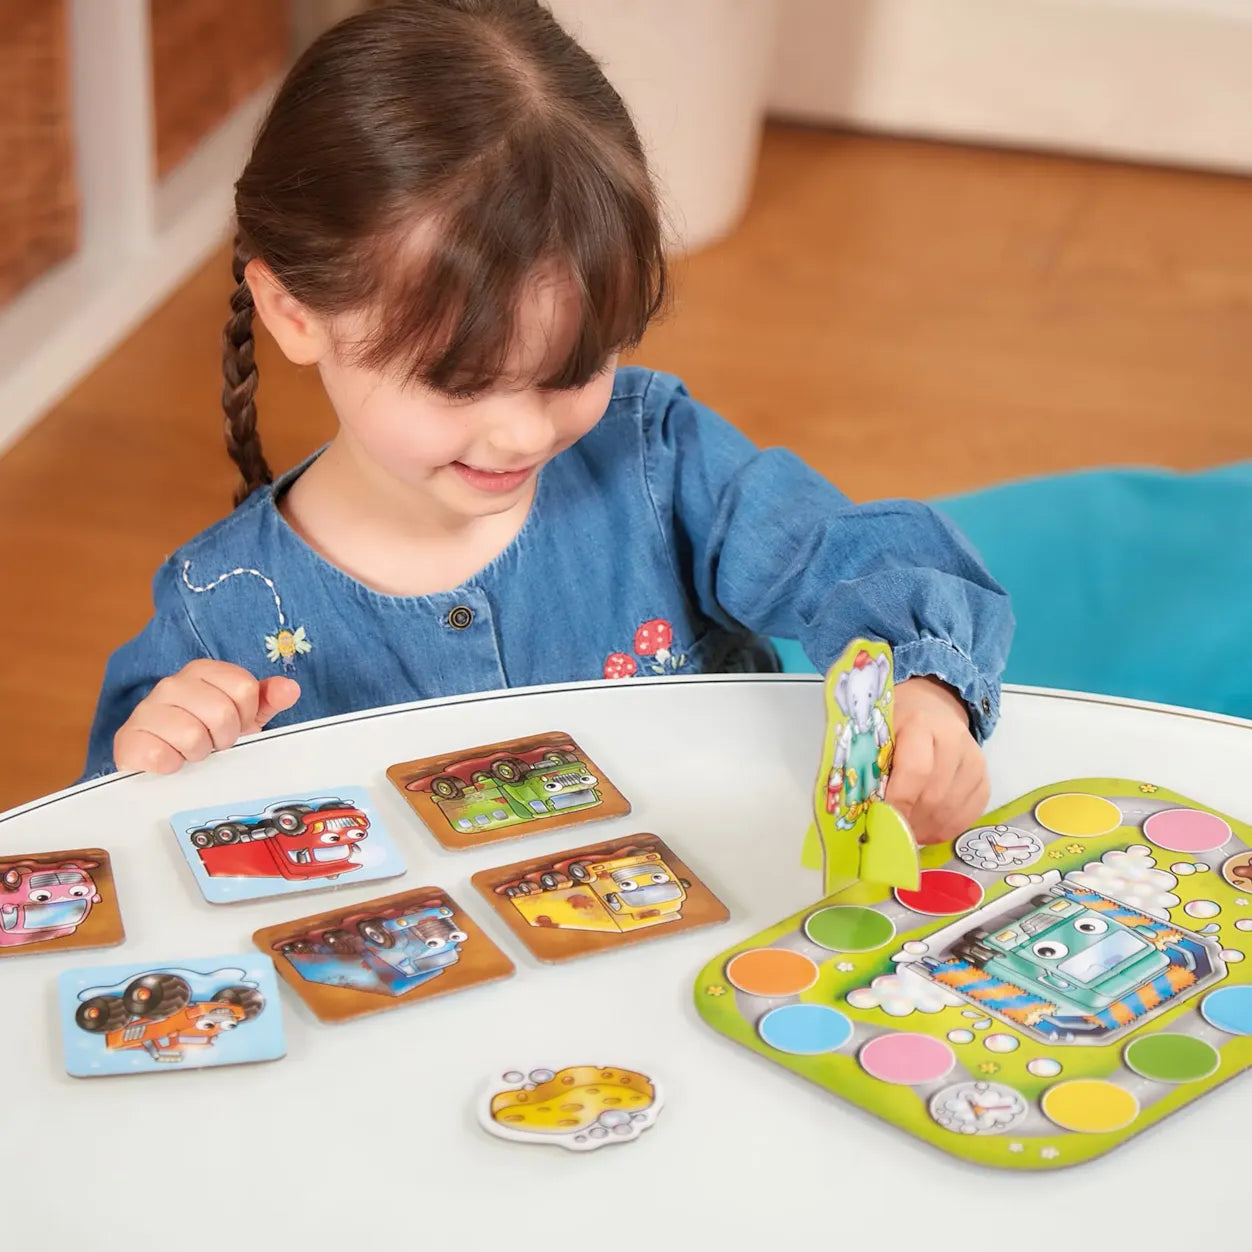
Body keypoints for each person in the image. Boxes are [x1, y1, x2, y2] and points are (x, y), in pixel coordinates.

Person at [82, 0, 1013, 845]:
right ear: (294, 315)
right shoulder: (221, 606)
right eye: (463, 384)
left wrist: (922, 686)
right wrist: (165, 746)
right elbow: (117, 833)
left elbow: (850, 556)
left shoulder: (657, 460)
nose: (526, 436)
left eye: (577, 367)